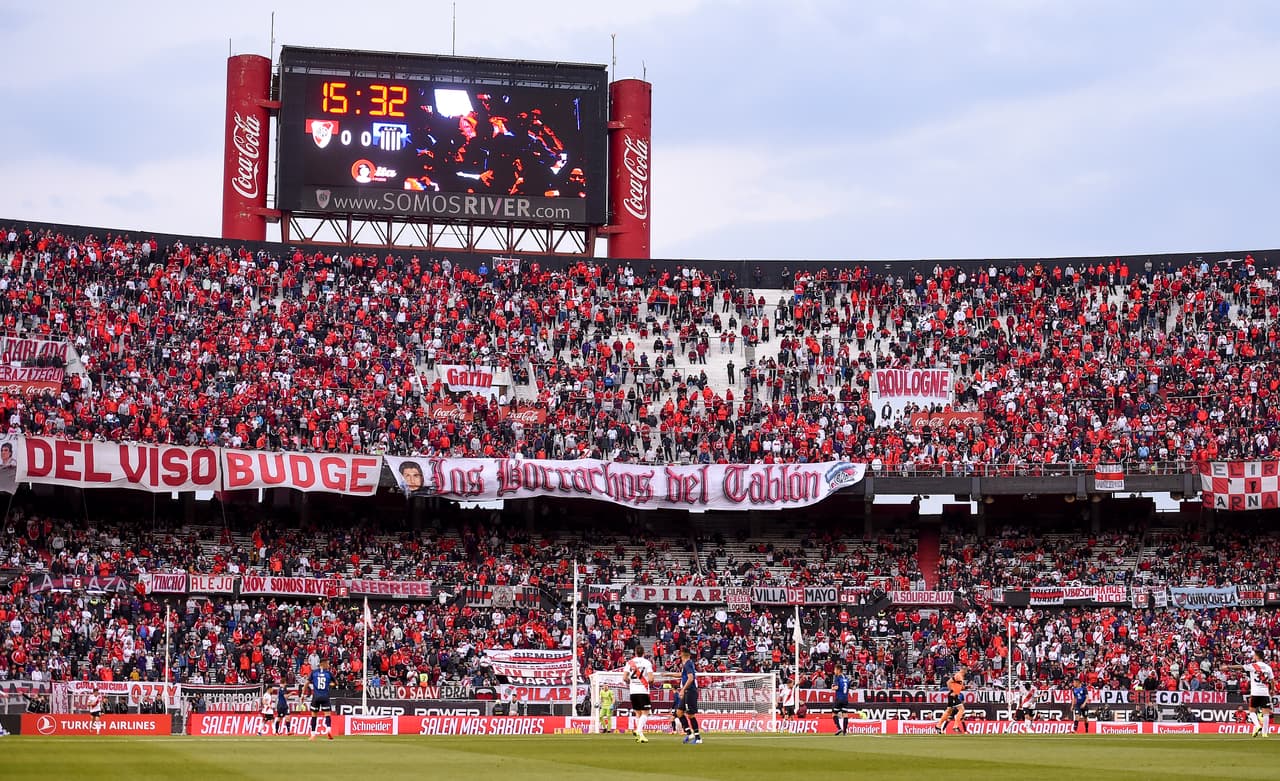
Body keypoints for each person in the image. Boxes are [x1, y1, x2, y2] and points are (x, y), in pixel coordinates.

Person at [1227, 648, 1275, 737]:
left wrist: (1228, 667)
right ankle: (1265, 733)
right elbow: (1272, 680)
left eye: (1254, 655)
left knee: (1252, 711)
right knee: (1266, 714)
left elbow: (1240, 667)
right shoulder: (1268, 667)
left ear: (1257, 656)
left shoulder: (1253, 665)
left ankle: (1257, 726)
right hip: (1264, 692)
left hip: (1255, 692)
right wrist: (1272, 690)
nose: (1253, 656)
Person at [622, 647, 654, 744]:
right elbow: (651, 678)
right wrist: (650, 683)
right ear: (643, 653)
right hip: (643, 691)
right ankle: (639, 731)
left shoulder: (630, 662)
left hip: (633, 691)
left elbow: (624, 678)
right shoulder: (647, 663)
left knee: (638, 713)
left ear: (635, 653)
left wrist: (632, 682)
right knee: (645, 713)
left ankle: (639, 736)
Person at [675, 648, 702, 744]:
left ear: (683, 654)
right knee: (679, 712)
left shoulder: (688, 664)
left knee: (690, 715)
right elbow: (682, 675)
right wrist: (667, 675)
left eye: (680, 655)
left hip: (690, 691)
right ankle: (689, 733)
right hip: (687, 692)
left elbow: (691, 678)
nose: (680, 657)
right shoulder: (686, 664)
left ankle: (698, 738)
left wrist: (682, 690)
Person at [307, 658, 336, 740]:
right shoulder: (328, 673)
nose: (328, 665)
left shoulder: (314, 672)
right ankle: (329, 730)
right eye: (327, 663)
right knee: (327, 714)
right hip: (325, 696)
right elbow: (335, 683)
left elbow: (307, 683)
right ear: (322, 663)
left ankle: (313, 734)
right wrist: (329, 684)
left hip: (316, 696)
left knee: (314, 715)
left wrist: (302, 694)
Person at [935, 667, 967, 734]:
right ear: (963, 670)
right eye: (965, 671)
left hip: (954, 695)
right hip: (953, 695)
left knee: (949, 711)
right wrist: (952, 690)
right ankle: (955, 726)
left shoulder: (961, 677)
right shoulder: (958, 675)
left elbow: (958, 685)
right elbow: (948, 682)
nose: (966, 672)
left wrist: (963, 687)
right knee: (961, 709)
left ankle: (938, 725)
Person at [832, 663, 850, 735]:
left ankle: (839, 728)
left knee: (834, 714)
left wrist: (832, 688)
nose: (834, 671)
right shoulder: (846, 677)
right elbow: (850, 687)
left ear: (838, 670)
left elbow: (836, 687)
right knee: (845, 714)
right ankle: (845, 731)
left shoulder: (838, 677)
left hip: (839, 698)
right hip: (845, 699)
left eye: (835, 669)